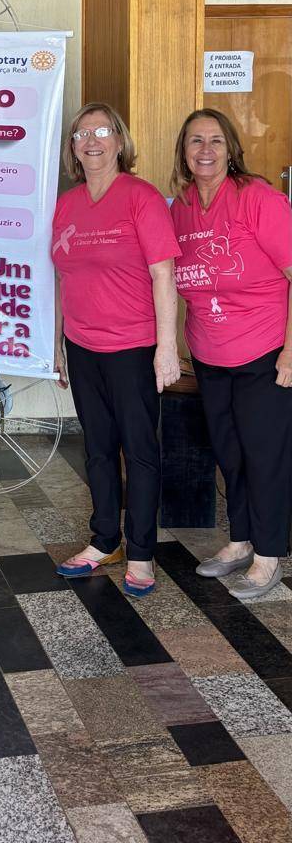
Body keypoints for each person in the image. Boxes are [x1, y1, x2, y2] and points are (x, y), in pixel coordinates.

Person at [52, 103, 181, 597]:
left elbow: (162, 273)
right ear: (73, 149)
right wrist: (57, 341)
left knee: (140, 451)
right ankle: (104, 539)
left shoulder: (141, 197)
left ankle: (142, 553)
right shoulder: (69, 203)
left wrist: (166, 348)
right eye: (81, 133)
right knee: (99, 448)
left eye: (102, 131)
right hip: (83, 346)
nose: (92, 140)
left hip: (132, 346)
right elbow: (64, 276)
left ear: (120, 142)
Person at [170, 108, 292, 601]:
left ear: (231, 149)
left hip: (265, 352)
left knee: (266, 457)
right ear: (183, 150)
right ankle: (240, 540)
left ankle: (269, 554)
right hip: (209, 354)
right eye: (195, 140)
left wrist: (291, 353)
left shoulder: (258, 199)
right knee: (230, 453)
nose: (205, 150)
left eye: (216, 141)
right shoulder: (179, 208)